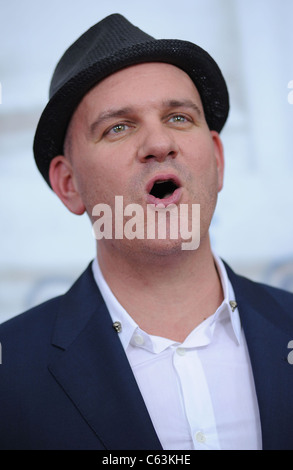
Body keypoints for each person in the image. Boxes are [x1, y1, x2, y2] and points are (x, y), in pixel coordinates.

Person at [0, 14, 293, 451]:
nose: (159, 143)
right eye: (118, 127)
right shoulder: (11, 370)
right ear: (68, 184)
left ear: (217, 159)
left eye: (178, 117)